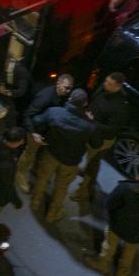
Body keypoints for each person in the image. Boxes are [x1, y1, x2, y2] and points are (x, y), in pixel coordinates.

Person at [86, 160, 139, 276]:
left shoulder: (123, 188)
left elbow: (109, 204)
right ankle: (122, 273)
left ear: (136, 171)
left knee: (109, 245)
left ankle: (103, 265)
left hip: (118, 225)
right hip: (138, 231)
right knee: (130, 251)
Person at [30, 88, 100, 223]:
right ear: (85, 104)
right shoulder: (89, 126)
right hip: (71, 162)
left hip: (51, 154)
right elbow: (96, 144)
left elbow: (37, 121)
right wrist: (92, 122)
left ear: (69, 99)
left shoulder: (55, 112)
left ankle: (35, 202)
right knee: (61, 188)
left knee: (42, 178)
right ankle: (52, 214)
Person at [72, 72, 132, 203]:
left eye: (109, 84)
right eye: (105, 81)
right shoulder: (103, 88)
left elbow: (112, 129)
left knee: (93, 164)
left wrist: (93, 122)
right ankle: (84, 169)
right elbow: (94, 100)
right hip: (90, 130)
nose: (105, 84)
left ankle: (84, 192)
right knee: (87, 156)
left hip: (102, 139)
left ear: (118, 86)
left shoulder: (121, 107)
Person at [16, 73, 74, 190]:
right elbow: (27, 115)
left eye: (70, 88)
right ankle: (20, 174)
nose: (68, 91)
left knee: (40, 153)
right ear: (58, 83)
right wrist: (33, 133)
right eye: (66, 87)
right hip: (36, 131)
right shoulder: (45, 97)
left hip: (47, 131)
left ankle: (34, 170)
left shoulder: (62, 96)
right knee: (29, 154)